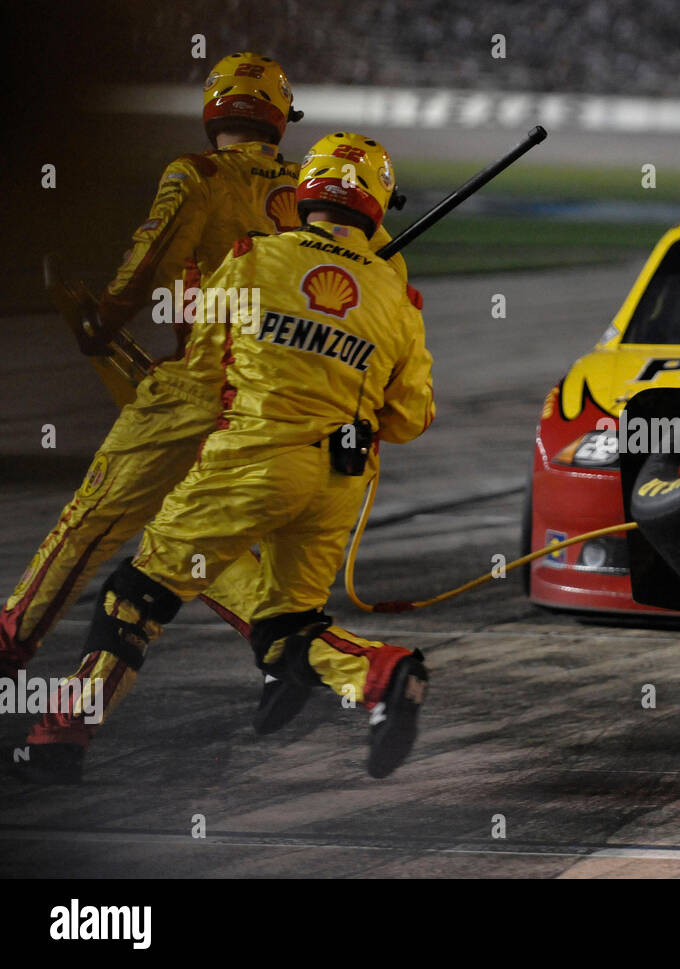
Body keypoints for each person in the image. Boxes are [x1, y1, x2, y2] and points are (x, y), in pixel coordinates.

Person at [3, 53, 411, 783]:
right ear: (281, 121)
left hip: (193, 388)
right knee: (207, 573)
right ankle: (64, 729)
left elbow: (146, 261)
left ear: (213, 110)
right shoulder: (310, 191)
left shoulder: (196, 174)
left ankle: (11, 646)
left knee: (89, 527)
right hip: (273, 414)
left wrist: (103, 319)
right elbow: (385, 303)